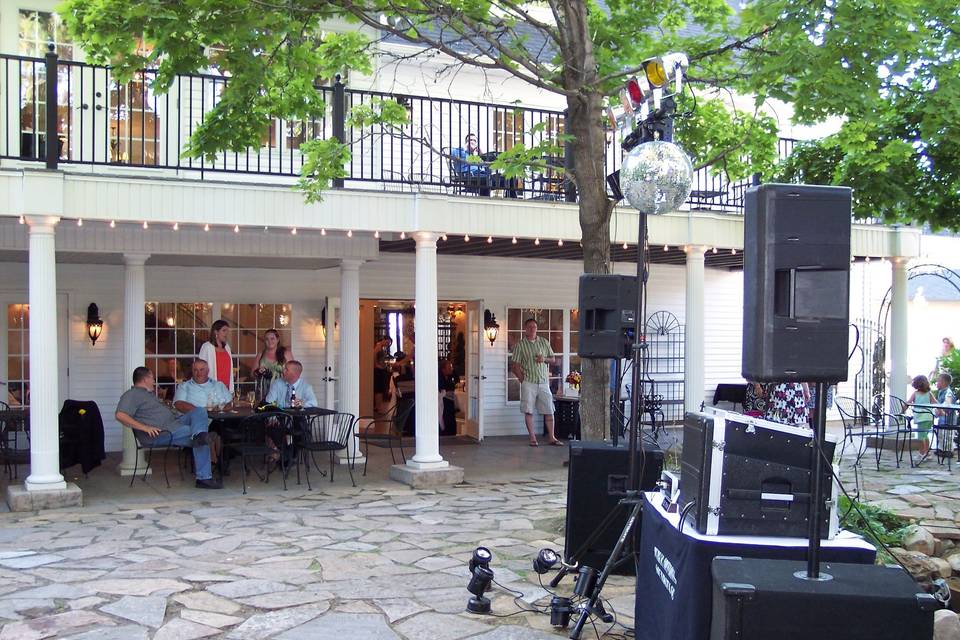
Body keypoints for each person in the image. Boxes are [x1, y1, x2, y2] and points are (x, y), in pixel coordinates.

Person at [115, 366, 222, 489]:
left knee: (199, 412)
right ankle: (204, 478)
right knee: (198, 435)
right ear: (145, 379)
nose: (154, 381)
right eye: (152, 378)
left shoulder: (147, 394)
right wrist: (145, 428)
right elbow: (120, 415)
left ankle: (200, 435)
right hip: (162, 433)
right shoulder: (132, 394)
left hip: (174, 424)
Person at [510, 318, 561, 446]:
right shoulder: (520, 345)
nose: (532, 329)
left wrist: (544, 359)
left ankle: (552, 437)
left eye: (534, 327)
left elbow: (553, 359)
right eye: (530, 327)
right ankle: (533, 438)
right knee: (529, 411)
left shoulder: (544, 342)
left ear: (537, 329)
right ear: (525, 329)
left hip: (543, 381)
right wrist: (523, 380)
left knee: (549, 410)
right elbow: (515, 366)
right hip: (529, 382)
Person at [173, 359, 229, 468]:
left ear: (208, 371)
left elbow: (230, 403)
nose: (199, 373)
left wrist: (221, 409)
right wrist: (201, 412)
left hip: (220, 419)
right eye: (195, 370)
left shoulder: (218, 385)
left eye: (202, 370)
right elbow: (179, 404)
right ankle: (216, 462)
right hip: (197, 423)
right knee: (211, 429)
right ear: (192, 371)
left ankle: (217, 460)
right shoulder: (185, 386)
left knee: (224, 427)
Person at [450, 133, 520, 198]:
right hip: (470, 178)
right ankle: (485, 200)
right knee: (486, 181)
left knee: (511, 177)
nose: (472, 142)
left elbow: (488, 170)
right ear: (466, 142)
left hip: (483, 177)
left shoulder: (477, 157)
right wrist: (465, 148)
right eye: (470, 140)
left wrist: (482, 156)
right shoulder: (459, 152)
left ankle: (511, 199)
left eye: (474, 140)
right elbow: (451, 153)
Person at [251, 329, 294, 401]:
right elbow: (252, 374)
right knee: (264, 410)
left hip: (281, 391)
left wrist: (283, 372)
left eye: (272, 338)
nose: (269, 341)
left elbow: (293, 373)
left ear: (278, 339)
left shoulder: (286, 353)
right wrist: (259, 372)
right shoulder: (261, 354)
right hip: (263, 391)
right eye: (267, 339)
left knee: (280, 411)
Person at [198, 319, 234, 394]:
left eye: (227, 331)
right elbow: (200, 368)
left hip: (226, 388)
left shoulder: (227, 347)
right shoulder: (207, 347)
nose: (226, 333)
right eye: (224, 331)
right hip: (211, 388)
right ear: (216, 332)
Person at [908, 375, 936, 456]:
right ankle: (927, 452)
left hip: (921, 418)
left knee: (920, 437)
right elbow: (935, 403)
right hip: (929, 417)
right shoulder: (929, 394)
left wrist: (903, 408)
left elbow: (908, 402)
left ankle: (922, 453)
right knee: (925, 435)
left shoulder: (915, 394)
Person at [439, 360, 459, 436]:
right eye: (449, 368)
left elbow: (457, 381)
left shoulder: (452, 375)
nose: (451, 369)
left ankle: (452, 433)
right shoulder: (439, 376)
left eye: (451, 368)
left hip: (450, 399)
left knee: (451, 416)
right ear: (443, 369)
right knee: (444, 416)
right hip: (442, 399)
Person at [373, 351, 395, 417]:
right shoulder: (378, 367)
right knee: (379, 391)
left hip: (381, 373)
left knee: (380, 391)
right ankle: (378, 407)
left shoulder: (383, 366)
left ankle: (378, 407)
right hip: (379, 373)